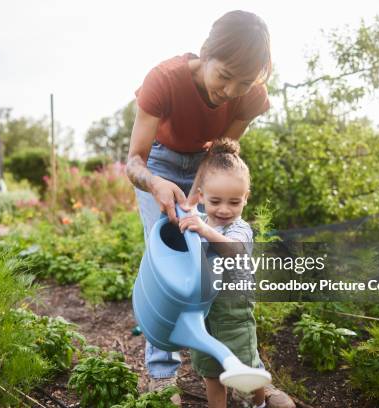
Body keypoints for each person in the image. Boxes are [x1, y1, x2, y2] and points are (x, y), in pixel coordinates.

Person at [126, 9, 295, 408]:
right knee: (164, 260)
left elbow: (220, 148)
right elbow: (134, 161)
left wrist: (201, 189)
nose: (230, 91)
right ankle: (162, 373)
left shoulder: (249, 97)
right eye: (225, 76)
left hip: (206, 165)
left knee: (212, 263)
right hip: (160, 164)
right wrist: (157, 183)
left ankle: (242, 369)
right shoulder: (163, 80)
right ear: (206, 53)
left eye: (244, 83)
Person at [177, 138, 264, 408]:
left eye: (234, 202)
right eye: (215, 201)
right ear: (201, 195)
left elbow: (235, 251)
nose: (224, 209)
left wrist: (204, 231)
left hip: (233, 312)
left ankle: (259, 403)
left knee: (246, 364)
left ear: (245, 199)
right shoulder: (199, 222)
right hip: (203, 311)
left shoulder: (240, 230)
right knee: (211, 374)